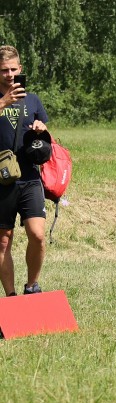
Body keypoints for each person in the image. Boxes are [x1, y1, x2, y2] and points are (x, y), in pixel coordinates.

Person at [0, 45, 50, 296]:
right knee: (3, 240)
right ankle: (10, 297)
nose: (9, 74)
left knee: (38, 235)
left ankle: (32, 286)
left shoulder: (32, 100)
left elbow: (48, 136)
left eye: (13, 69)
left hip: (30, 177)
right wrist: (4, 102)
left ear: (20, 69)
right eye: (4, 70)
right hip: (2, 180)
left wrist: (40, 127)